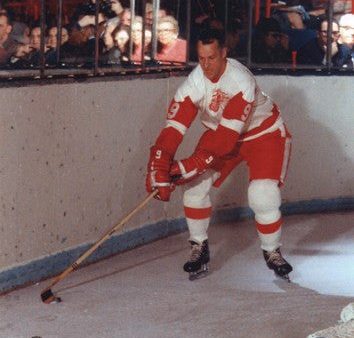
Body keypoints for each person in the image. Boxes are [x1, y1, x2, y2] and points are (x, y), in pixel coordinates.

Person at [146, 28, 293, 281]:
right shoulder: (194, 82)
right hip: (222, 132)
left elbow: (224, 143)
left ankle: (272, 251)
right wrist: (159, 161)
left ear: (224, 53)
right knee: (194, 188)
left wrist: (181, 168)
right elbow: (174, 128)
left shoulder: (240, 80)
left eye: (211, 58)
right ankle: (198, 247)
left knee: (262, 193)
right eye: (201, 58)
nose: (206, 65)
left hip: (263, 135)